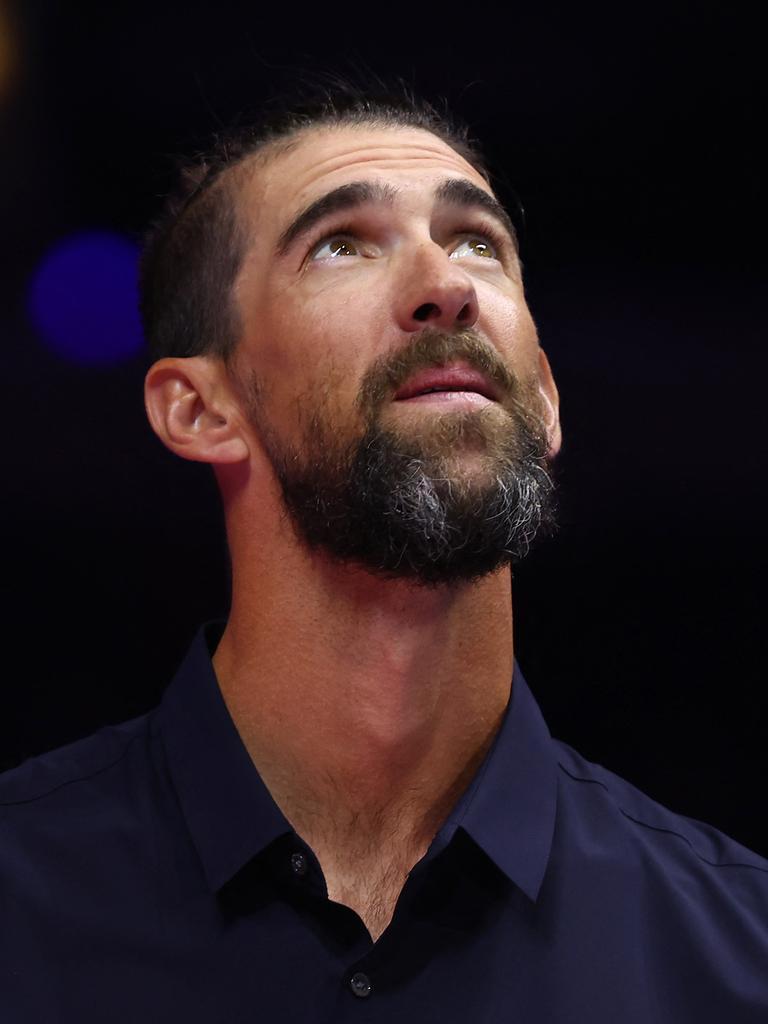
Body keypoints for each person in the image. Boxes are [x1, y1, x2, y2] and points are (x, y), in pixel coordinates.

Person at [2, 87, 766, 1021]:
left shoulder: (740, 950)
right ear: (200, 409)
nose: (447, 284)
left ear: (547, 398)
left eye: (477, 241)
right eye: (342, 244)